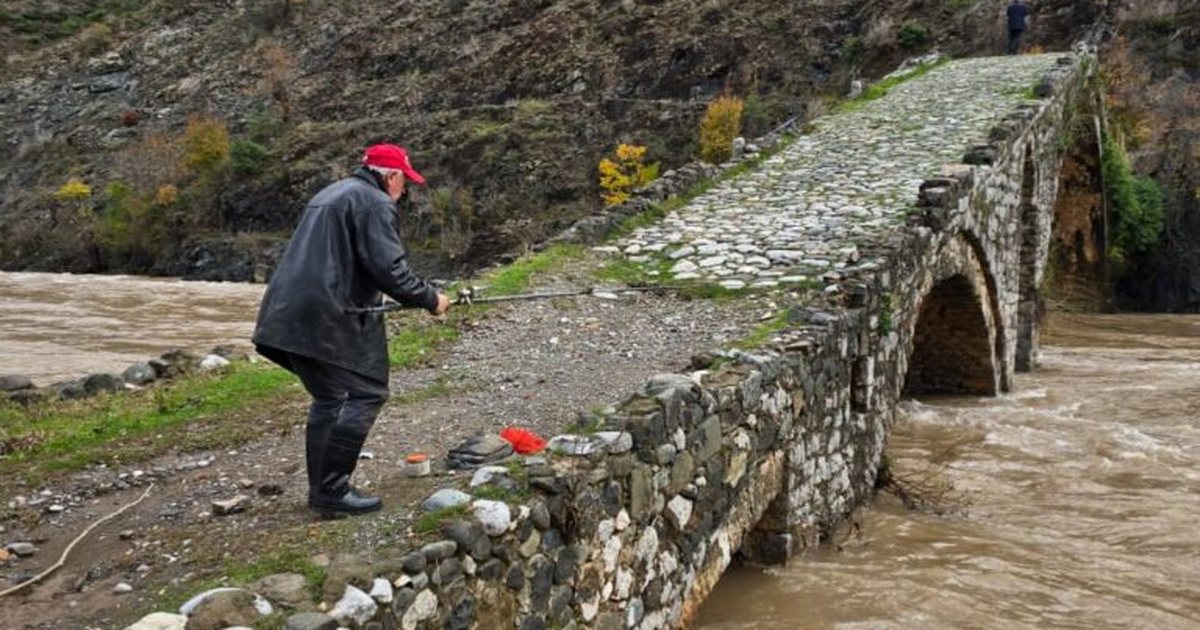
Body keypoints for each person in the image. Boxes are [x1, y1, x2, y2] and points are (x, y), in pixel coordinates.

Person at [253, 143, 451, 516]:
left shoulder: (332, 193)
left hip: (287, 310)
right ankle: (331, 491)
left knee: (330, 397)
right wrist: (431, 299)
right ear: (390, 176)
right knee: (365, 392)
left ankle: (325, 491)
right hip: (328, 313)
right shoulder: (375, 203)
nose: (404, 190)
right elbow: (390, 270)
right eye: (404, 181)